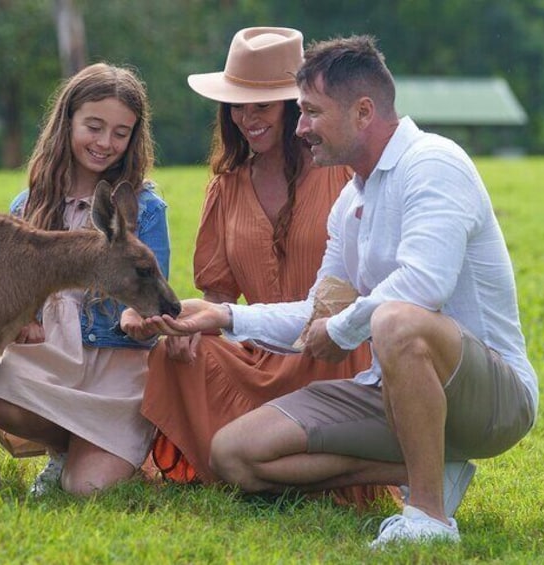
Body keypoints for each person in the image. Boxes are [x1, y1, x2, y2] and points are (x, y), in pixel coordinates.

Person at [125, 35, 537, 547]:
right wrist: (223, 318)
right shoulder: (351, 200)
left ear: (363, 111)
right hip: (386, 391)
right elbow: (318, 307)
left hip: (490, 398)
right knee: (233, 454)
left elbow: (423, 285)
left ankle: (429, 518)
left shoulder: (434, 164)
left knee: (397, 318)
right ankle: (426, 464)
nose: (302, 128)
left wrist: (339, 330)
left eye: (311, 113)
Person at [133, 26, 387, 507]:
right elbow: (219, 297)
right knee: (175, 354)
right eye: (237, 105)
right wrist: (188, 327)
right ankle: (256, 465)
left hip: (329, 347)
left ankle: (292, 467)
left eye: (261, 106)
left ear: (295, 106)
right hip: (259, 349)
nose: (247, 118)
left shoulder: (340, 173)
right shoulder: (226, 185)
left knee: (342, 349)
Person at [0, 62, 171, 496]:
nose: (105, 143)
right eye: (94, 126)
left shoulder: (145, 209)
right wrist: (23, 322)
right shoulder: (29, 206)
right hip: (53, 362)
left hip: (117, 368)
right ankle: (64, 450)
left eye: (121, 133)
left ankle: (108, 451)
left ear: (133, 137)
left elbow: (149, 300)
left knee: (88, 489)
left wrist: (139, 322)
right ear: (68, 121)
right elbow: (13, 296)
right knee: (0, 391)